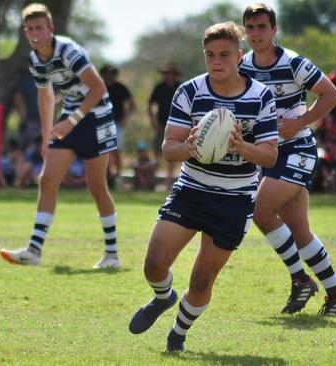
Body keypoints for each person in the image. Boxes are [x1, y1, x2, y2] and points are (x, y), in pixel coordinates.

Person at [128, 22, 278, 352]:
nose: (216, 61)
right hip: (191, 190)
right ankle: (163, 297)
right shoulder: (190, 91)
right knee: (153, 264)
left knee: (200, 280)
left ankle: (179, 333)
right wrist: (191, 146)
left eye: (224, 55)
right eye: (210, 55)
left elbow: (269, 156)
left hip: (234, 200)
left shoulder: (260, 96)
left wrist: (241, 147)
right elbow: (168, 148)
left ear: (239, 56)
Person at [240, 3, 336, 316]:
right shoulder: (243, 67)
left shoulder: (293, 63)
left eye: (261, 26)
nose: (255, 33)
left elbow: (331, 94)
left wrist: (298, 122)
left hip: (297, 151)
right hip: (268, 155)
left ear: (274, 29)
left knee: (261, 211)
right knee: (300, 232)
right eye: (249, 28)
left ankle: (300, 279)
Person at [0, 3, 120, 269]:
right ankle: (34, 250)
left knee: (97, 187)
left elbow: (99, 88)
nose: (35, 33)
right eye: (29, 28)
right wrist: (46, 137)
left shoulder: (69, 51)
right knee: (48, 179)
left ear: (50, 29)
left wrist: (71, 122)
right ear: (25, 32)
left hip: (97, 116)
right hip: (71, 116)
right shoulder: (35, 60)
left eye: (39, 27)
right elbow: (46, 96)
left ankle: (112, 255)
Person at [149, 61, 181, 191]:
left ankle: (168, 184)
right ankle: (152, 182)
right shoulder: (159, 88)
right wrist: (153, 122)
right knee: (156, 153)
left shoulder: (180, 87)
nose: (168, 75)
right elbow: (150, 105)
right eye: (166, 73)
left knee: (173, 154)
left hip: (177, 126)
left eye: (170, 73)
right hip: (161, 125)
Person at [100, 64, 135, 182]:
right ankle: (106, 177)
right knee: (104, 151)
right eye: (107, 73)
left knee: (116, 150)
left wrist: (125, 118)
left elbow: (132, 105)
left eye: (111, 73)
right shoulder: (99, 87)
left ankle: (118, 177)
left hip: (117, 123)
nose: (109, 76)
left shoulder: (121, 87)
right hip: (102, 123)